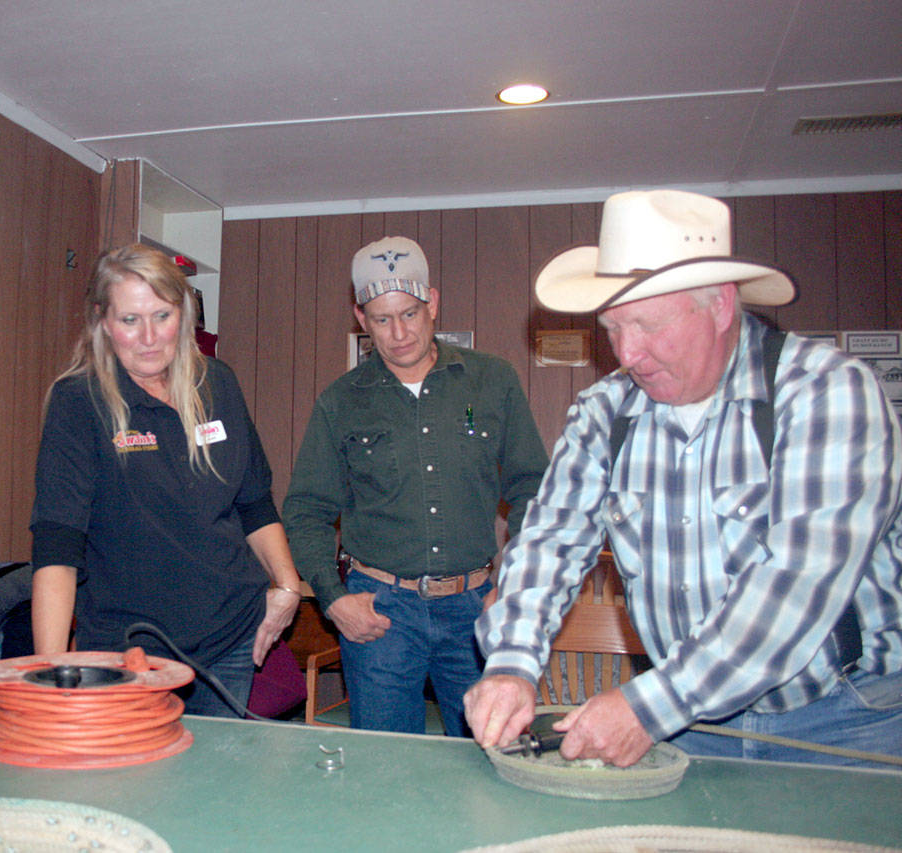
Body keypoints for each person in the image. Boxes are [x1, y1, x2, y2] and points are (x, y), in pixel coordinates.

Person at [466, 189, 902, 769]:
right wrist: (511, 665)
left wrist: (647, 708)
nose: (627, 352)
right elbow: (548, 545)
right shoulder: (605, 412)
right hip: (688, 722)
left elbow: (794, 588)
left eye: (646, 325)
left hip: (843, 719)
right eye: (613, 327)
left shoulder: (827, 392)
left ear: (721, 305)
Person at [283, 236, 548, 735]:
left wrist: (513, 580)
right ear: (361, 320)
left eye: (410, 313)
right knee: (387, 770)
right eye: (381, 320)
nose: (399, 332)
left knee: (489, 755)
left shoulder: (492, 382)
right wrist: (333, 597)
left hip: (476, 609)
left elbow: (533, 486)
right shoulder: (341, 402)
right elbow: (306, 511)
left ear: (433, 302)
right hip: (379, 612)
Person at [30, 243, 302, 717]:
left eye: (162, 315)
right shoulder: (79, 403)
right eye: (130, 320)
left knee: (212, 786)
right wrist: (51, 674)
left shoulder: (218, 383)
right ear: (102, 321)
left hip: (232, 638)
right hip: (131, 655)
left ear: (185, 312)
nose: (150, 337)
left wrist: (287, 586)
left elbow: (254, 503)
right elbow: (57, 546)